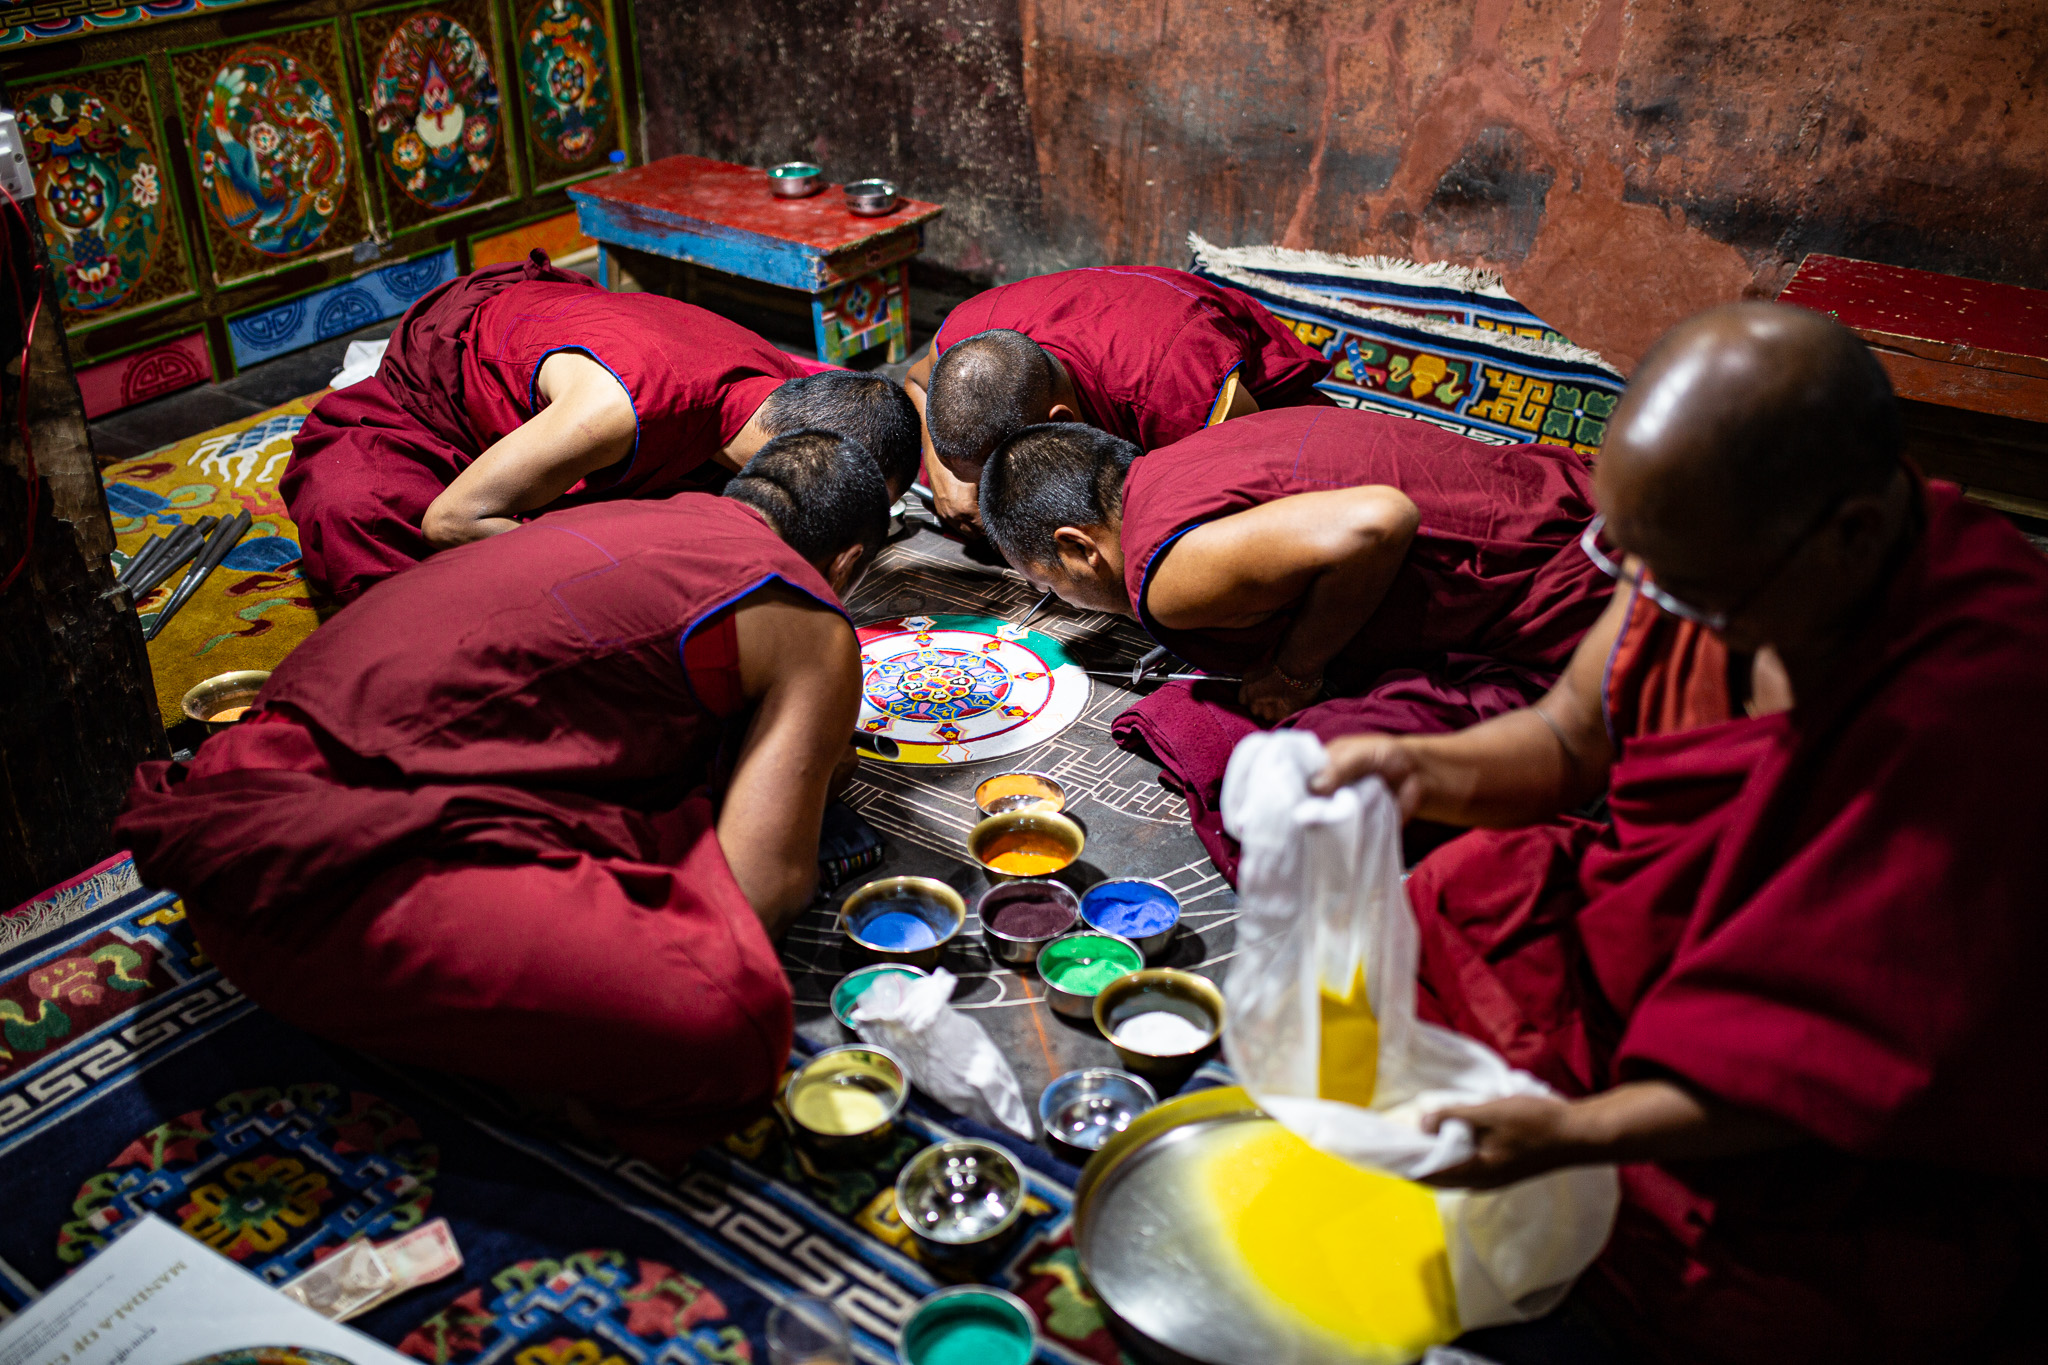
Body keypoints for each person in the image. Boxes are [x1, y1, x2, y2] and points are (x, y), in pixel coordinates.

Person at [1312, 303, 2048, 1363]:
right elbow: (1572, 735)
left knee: (1771, 1314)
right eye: (1631, 563)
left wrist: (1571, 1139)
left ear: (1845, 538)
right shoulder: (1701, 560)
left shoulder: (1984, 714)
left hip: (1807, 1120)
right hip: (1649, 970)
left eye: (1684, 587)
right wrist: (1415, 769)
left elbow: (1838, 1058)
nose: (1646, 599)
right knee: (1455, 885)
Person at [118, 431, 889, 1166]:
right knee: (733, 1015)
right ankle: (546, 1083)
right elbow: (765, 890)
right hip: (293, 903)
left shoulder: (630, 512)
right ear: (847, 561)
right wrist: (813, 758)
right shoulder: (810, 616)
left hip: (233, 802)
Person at [978, 406, 1610, 876]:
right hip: (1560, 494)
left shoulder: (1161, 574)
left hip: (1568, 598)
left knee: (1292, 783)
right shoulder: (1176, 461)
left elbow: (1378, 522)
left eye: (1045, 581)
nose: (1056, 598)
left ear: (1078, 548)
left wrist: (1294, 671)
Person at [282, 252, 921, 603]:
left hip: (574, 336)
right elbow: (451, 520)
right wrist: (615, 580)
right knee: (363, 523)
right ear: (801, 455)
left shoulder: (780, 383)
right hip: (443, 392)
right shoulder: (619, 410)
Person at [903, 266, 1333, 531]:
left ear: (1063, 419)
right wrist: (949, 476)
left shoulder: (1174, 393)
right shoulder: (965, 336)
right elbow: (918, 384)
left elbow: (1256, 493)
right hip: (1104, 317)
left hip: (1251, 406)